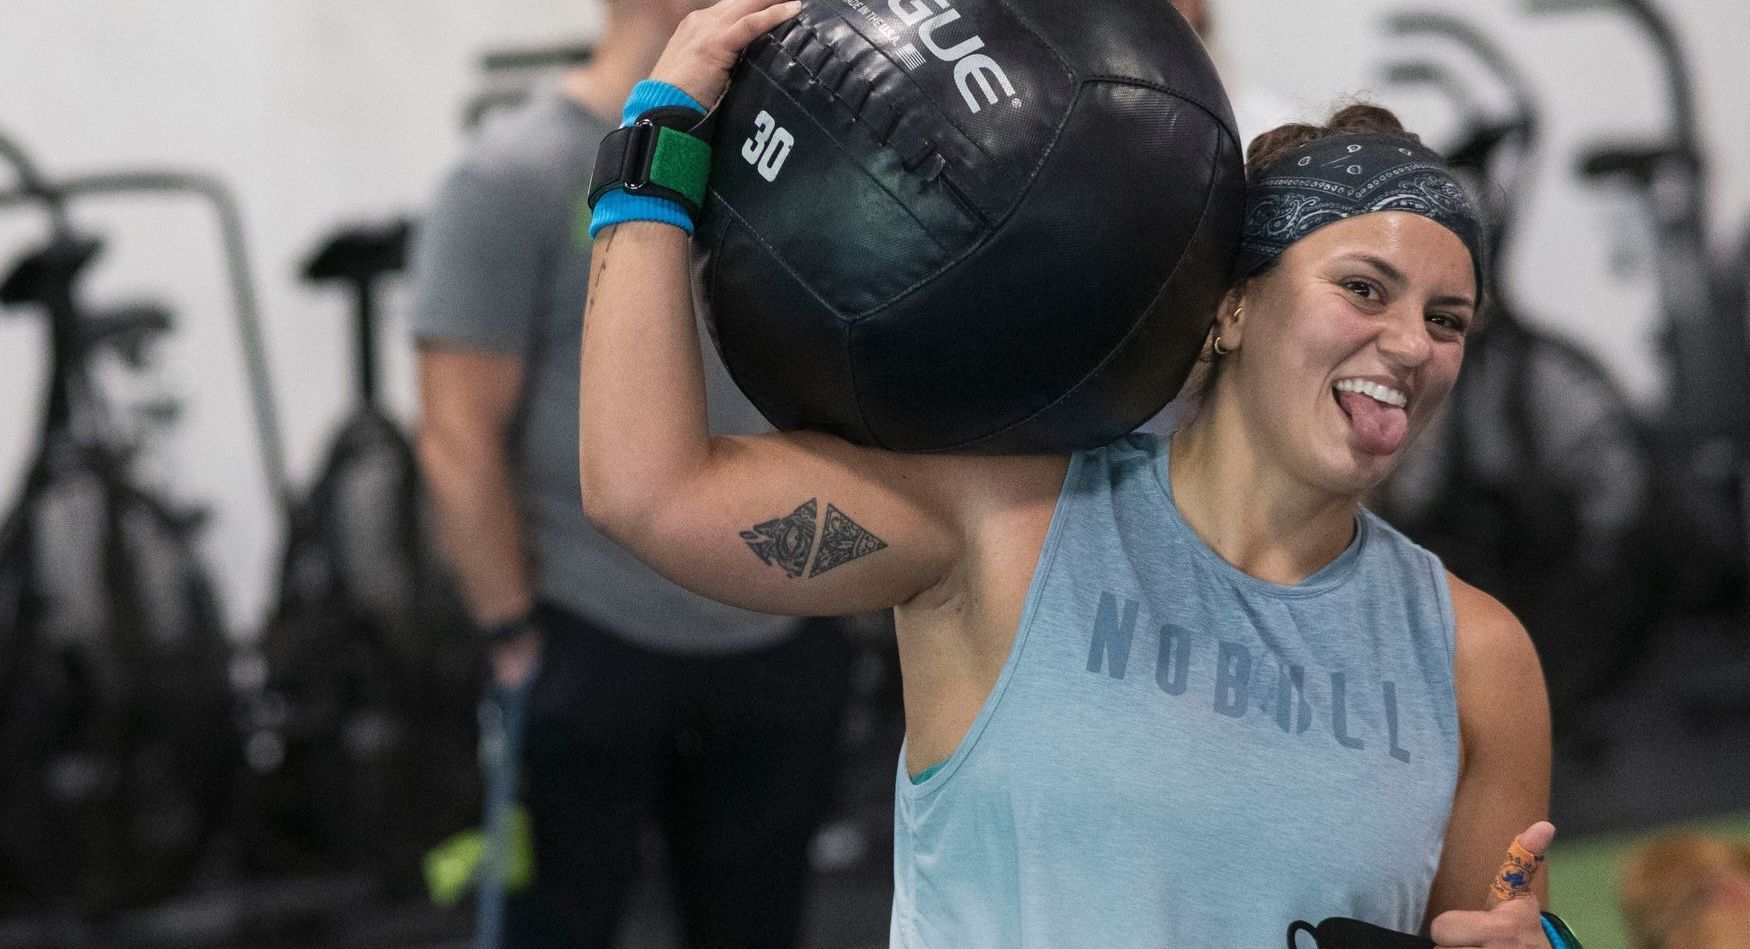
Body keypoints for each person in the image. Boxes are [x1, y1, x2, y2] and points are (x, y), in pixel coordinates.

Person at [578, 2, 1556, 946]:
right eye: (1364, 289)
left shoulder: (1474, 658)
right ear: (1233, 308)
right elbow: (649, 492)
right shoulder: (1006, 522)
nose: (1412, 345)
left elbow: (1496, 924)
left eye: (1447, 320)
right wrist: (654, 151)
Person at [410, 1, 853, 945]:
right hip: (593, 635)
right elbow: (456, 435)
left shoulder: (787, 155)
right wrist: (513, 636)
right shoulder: (512, 175)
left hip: (777, 631)